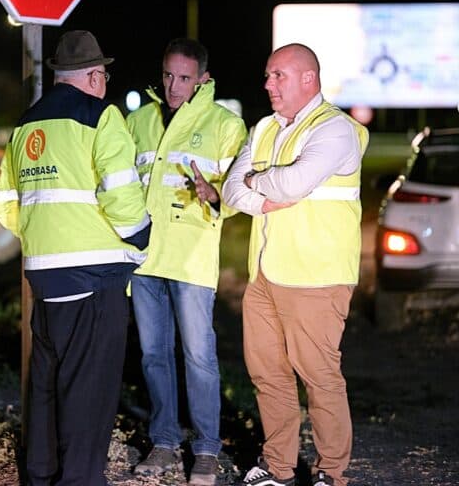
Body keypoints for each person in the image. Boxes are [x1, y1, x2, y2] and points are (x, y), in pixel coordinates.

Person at [0, 30, 151, 486]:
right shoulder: (101, 117)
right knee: (89, 392)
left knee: (46, 384)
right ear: (96, 77)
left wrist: (46, 236)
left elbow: (4, 203)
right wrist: (141, 237)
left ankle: (41, 476)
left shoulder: (25, 126)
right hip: (94, 277)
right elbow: (120, 193)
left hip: (44, 275)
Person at [221, 43, 369, 486]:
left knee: (319, 378)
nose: (267, 84)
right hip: (265, 273)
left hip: (317, 276)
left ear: (309, 78)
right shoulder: (264, 127)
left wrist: (256, 182)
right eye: (268, 75)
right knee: (268, 376)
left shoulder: (335, 128)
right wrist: (262, 197)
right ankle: (277, 468)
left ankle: (331, 474)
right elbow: (231, 191)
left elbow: (294, 182)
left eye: (278, 75)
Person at [127, 37, 247, 486]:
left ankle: (207, 449)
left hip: (191, 258)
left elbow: (240, 188)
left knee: (199, 357)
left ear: (203, 79)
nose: (174, 86)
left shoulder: (225, 125)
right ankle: (163, 442)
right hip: (145, 259)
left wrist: (216, 195)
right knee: (153, 356)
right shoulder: (138, 121)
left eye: (184, 77)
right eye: (167, 75)